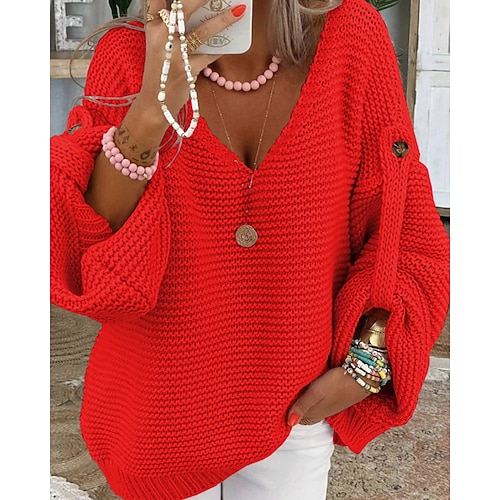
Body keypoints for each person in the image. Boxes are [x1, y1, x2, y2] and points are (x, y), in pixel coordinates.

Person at [50, 0, 450, 498]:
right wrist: (151, 110)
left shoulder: (350, 38)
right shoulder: (129, 55)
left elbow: (404, 224)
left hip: (295, 415)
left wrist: (369, 363)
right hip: (156, 421)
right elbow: (89, 260)